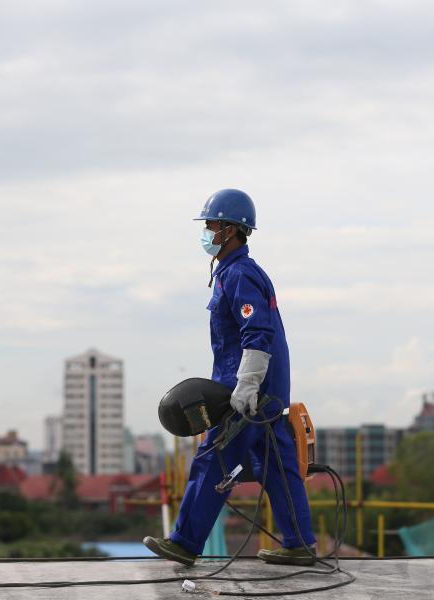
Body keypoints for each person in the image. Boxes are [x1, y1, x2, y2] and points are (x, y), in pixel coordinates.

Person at [143, 189, 317, 567]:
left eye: (212, 224)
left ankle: (185, 543)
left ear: (232, 230)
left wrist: (247, 386)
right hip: (264, 393)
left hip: (247, 394)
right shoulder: (233, 272)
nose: (206, 232)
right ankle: (300, 544)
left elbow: (257, 332)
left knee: (213, 460)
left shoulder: (239, 274)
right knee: (277, 467)